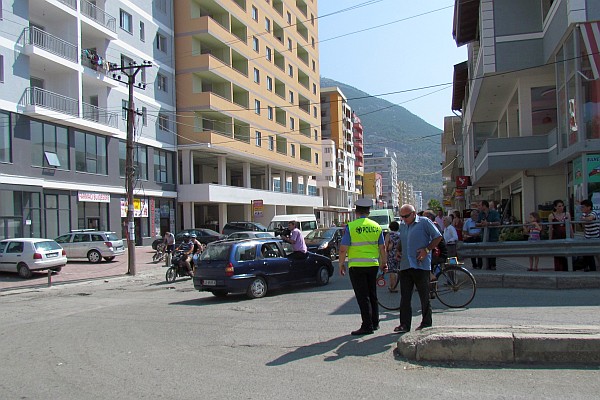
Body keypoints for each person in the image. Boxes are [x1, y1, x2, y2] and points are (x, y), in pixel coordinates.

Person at [338, 198, 387, 335]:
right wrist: (384, 263)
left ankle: (367, 325)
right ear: (369, 211)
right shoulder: (376, 226)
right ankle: (375, 322)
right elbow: (382, 248)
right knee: (372, 294)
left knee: (362, 296)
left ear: (356, 212)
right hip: (373, 264)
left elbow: (343, 249)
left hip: (357, 265)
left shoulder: (351, 226)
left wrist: (341, 264)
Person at [395, 204, 442, 333]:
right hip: (406, 265)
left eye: (406, 216)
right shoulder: (403, 225)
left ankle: (426, 323)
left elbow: (438, 236)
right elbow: (403, 239)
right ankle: (404, 324)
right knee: (405, 296)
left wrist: (427, 250)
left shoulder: (424, 222)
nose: (404, 219)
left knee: (424, 296)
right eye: (402, 216)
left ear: (414, 213)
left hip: (421, 265)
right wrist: (398, 250)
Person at [547, 199, 573, 271]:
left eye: (562, 206)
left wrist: (572, 236)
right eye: (559, 206)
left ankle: (567, 268)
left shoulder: (566, 214)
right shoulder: (551, 215)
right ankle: (558, 268)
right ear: (555, 207)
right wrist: (550, 239)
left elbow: (570, 226)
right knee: (558, 254)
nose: (561, 208)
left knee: (566, 253)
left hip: (565, 235)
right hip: (556, 236)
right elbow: (550, 228)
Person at [476, 200, 501, 270]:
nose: (478, 207)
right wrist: (481, 224)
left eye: (480, 205)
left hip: (493, 235)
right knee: (484, 250)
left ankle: (493, 265)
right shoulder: (481, 214)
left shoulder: (494, 213)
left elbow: (498, 222)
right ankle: (484, 265)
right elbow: (476, 223)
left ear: (484, 206)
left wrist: (489, 223)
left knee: (492, 251)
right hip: (484, 236)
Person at [579, 199, 599, 272]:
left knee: (597, 254)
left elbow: (590, 218)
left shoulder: (594, 213)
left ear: (589, 207)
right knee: (587, 254)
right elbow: (583, 223)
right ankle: (590, 268)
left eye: (583, 207)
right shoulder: (584, 214)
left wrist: (584, 219)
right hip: (587, 237)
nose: (582, 208)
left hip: (596, 237)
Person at [385, 220, 402, 293]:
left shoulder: (389, 235)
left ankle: (393, 287)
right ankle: (397, 286)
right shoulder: (400, 234)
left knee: (392, 271)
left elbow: (386, 245)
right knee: (398, 271)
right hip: (399, 254)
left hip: (391, 255)